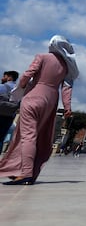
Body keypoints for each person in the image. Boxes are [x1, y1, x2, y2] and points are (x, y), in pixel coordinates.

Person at [0, 35, 79, 185]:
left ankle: (25, 173)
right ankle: (21, 169)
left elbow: (28, 74)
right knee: (39, 135)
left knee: (27, 135)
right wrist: (67, 107)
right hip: (51, 100)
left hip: (34, 95)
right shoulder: (67, 66)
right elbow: (67, 89)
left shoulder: (42, 57)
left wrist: (21, 86)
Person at [0, 70, 20, 143]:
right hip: (10, 115)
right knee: (1, 137)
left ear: (10, 77)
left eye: (4, 76)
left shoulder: (2, 86)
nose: (2, 78)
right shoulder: (18, 89)